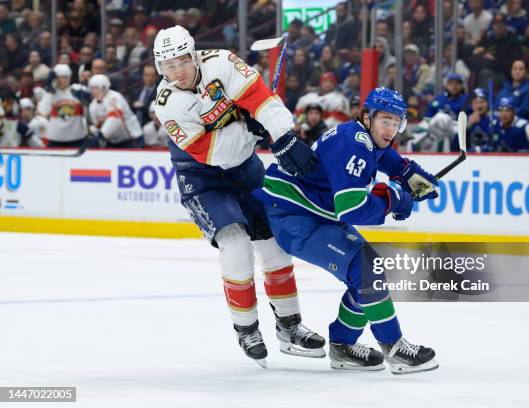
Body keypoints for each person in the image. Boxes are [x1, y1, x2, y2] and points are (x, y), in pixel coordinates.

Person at [152, 25, 323, 367]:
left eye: (182, 61)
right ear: (161, 69)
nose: (178, 71)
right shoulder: (168, 104)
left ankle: (290, 326)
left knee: (274, 243)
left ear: (194, 54)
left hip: (246, 168)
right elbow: (218, 153)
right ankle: (246, 328)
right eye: (169, 66)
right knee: (235, 243)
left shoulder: (222, 63)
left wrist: (282, 134)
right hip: (203, 179)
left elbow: (261, 98)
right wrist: (251, 129)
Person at [253, 88, 439, 374]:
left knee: (366, 271)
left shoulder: (365, 138)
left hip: (312, 213)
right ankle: (394, 347)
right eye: (385, 121)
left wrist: (415, 177)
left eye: (397, 123)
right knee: (367, 268)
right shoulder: (355, 145)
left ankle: (342, 345)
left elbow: (393, 162)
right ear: (367, 117)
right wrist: (393, 199)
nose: (391, 129)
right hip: (294, 216)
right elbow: (351, 209)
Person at [36, 64, 88, 147]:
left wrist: (85, 101)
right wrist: (49, 91)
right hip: (55, 139)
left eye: (64, 77)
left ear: (69, 78)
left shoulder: (78, 90)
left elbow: (87, 114)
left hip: (76, 139)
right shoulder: (50, 94)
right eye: (58, 77)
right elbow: (43, 111)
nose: (61, 80)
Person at [88, 74, 144, 148]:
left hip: (131, 139)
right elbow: (97, 124)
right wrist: (95, 132)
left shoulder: (115, 97)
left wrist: (101, 135)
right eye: (91, 88)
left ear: (103, 87)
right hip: (113, 141)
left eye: (94, 88)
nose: (92, 91)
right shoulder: (93, 105)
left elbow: (115, 119)